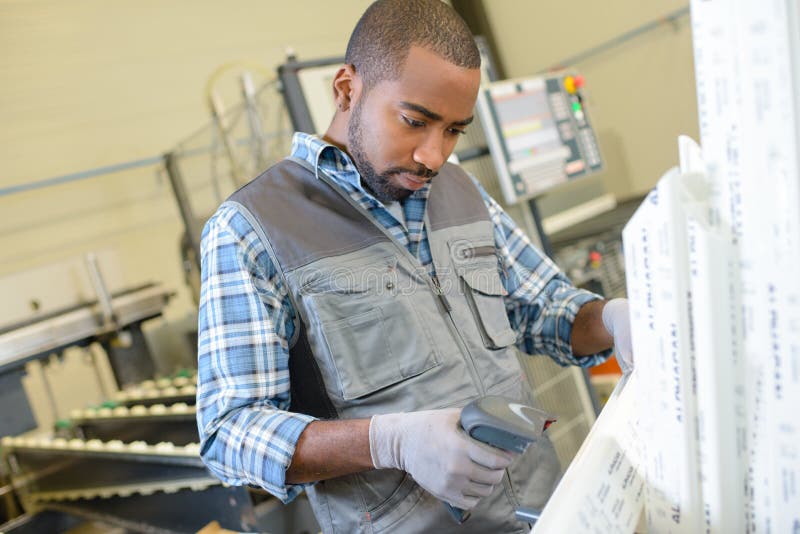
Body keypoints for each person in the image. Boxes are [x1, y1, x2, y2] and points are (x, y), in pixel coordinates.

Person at [196, 1, 633, 532]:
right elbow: (231, 433)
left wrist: (611, 318)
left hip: (543, 515)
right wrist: (392, 441)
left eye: (454, 131)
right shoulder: (253, 228)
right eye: (415, 121)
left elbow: (548, 310)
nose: (434, 155)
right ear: (346, 90)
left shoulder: (462, 192)